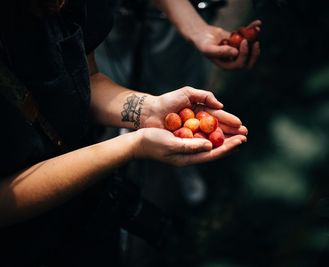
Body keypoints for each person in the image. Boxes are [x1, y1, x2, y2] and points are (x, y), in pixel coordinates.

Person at [0, 0, 248, 266]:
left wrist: (149, 109)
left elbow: (86, 79)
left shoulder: (56, 6)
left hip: (91, 208)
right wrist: (131, 146)